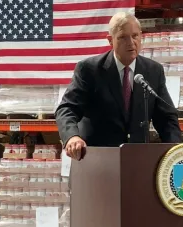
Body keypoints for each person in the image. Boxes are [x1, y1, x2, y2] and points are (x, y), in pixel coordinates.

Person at [55, 12, 182, 160]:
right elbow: (66, 109)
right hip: (97, 162)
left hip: (137, 162)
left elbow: (166, 119)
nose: (131, 42)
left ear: (141, 36)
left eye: (135, 36)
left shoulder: (153, 71)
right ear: (110, 40)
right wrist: (72, 137)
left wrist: (176, 155)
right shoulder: (89, 70)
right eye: (123, 37)